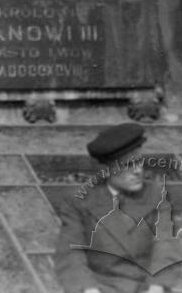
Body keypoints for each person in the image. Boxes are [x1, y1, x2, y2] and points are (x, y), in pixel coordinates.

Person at [54, 122, 174, 293]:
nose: (138, 171)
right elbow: (71, 252)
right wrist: (88, 288)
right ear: (107, 170)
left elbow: (166, 243)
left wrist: (157, 285)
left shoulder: (156, 195)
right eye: (128, 165)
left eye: (139, 162)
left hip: (146, 286)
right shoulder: (79, 203)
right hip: (101, 286)